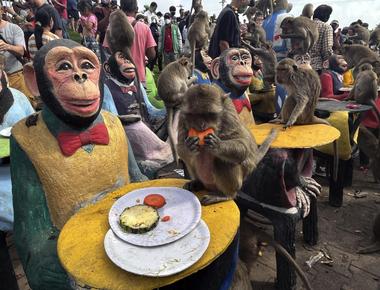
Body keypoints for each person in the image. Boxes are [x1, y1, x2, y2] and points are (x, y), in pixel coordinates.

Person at [103, 0, 157, 85]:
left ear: (121, 8)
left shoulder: (112, 26)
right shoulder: (144, 27)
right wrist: (142, 57)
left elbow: (107, 49)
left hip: (118, 76)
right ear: (136, 9)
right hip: (139, 76)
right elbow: (152, 54)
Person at [0, 7, 33, 104]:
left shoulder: (14, 28)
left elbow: (21, 51)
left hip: (15, 76)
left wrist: (7, 46)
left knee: (24, 105)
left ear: (2, 11)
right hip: (1, 80)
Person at [310, 5, 334, 74]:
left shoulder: (305, 25)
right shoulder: (326, 27)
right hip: (317, 67)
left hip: (301, 65)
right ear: (326, 15)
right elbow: (327, 50)